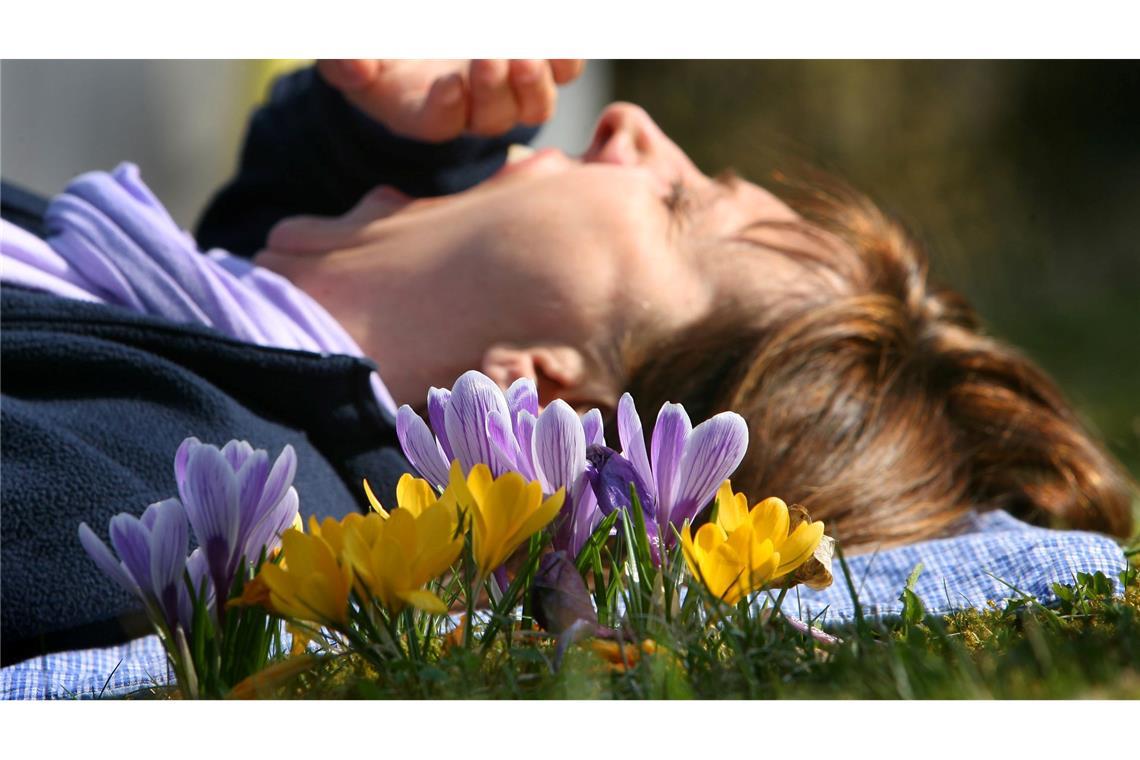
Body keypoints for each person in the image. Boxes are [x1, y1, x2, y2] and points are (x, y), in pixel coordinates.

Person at [0, 60, 1132, 681]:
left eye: (676, 201)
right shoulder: (210, 334)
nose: (631, 125)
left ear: (541, 404)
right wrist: (376, 141)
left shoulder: (168, 492)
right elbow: (251, 319)